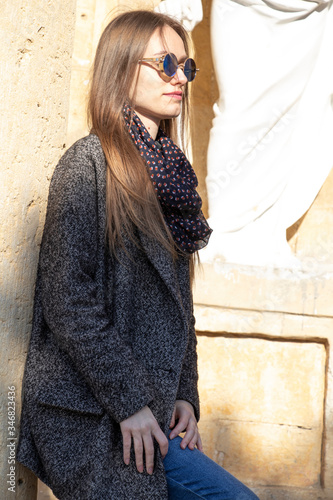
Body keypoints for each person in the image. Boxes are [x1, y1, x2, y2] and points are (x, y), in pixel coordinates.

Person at [16, 10, 259, 500]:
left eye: (186, 67)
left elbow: (178, 309)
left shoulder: (173, 178)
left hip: (147, 411)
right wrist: (129, 403)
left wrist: (187, 397)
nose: (179, 77)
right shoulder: (87, 164)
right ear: (121, 67)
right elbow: (68, 301)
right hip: (89, 412)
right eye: (165, 62)